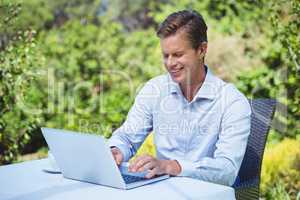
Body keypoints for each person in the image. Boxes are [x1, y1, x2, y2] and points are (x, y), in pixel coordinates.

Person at [108, 10, 251, 186]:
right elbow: (127, 138)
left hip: (210, 192)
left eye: (177, 55)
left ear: (201, 50)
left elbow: (226, 171)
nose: (170, 63)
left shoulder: (232, 102)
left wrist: (172, 166)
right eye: (165, 55)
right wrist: (116, 151)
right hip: (164, 189)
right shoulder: (155, 89)